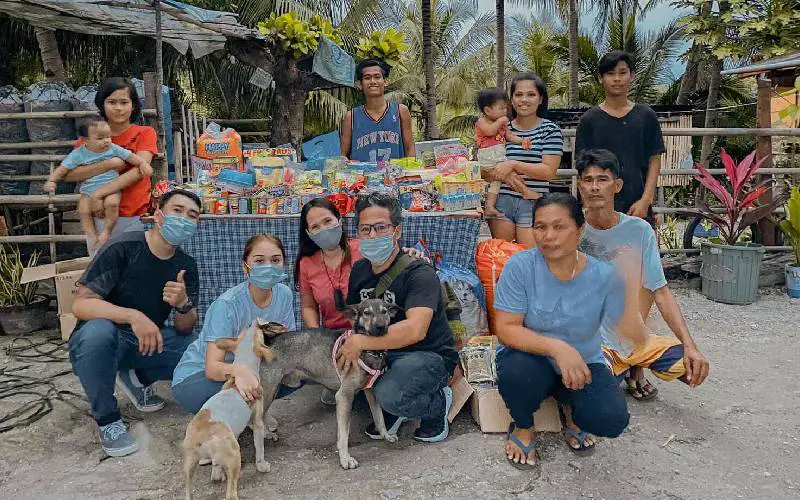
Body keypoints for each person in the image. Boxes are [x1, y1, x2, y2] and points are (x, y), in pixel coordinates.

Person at [493, 192, 646, 468]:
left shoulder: (602, 275)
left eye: (559, 226)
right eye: (540, 227)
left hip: (582, 364)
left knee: (610, 419)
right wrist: (558, 348)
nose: (548, 236)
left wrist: (630, 286)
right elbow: (506, 328)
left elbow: (633, 336)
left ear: (580, 229)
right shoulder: (520, 267)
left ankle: (571, 408)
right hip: (532, 360)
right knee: (516, 372)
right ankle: (523, 425)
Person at [68, 189, 201, 457]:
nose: (184, 219)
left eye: (192, 215)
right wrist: (132, 316)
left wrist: (183, 303)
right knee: (97, 334)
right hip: (106, 338)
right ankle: (108, 421)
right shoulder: (123, 247)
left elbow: (186, 327)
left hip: (146, 342)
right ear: (157, 214)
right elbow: (81, 304)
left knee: (197, 349)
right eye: (177, 210)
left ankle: (137, 377)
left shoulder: (186, 265)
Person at [575, 149, 710, 400]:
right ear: (579, 185)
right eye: (588, 180)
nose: (595, 187)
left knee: (692, 365)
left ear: (617, 185)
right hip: (593, 342)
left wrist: (691, 346)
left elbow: (660, 292)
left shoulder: (639, 231)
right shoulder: (572, 230)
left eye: (602, 180)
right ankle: (621, 369)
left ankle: (635, 363)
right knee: (593, 387)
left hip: (632, 334)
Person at [337, 192, 459, 443]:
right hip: (385, 352)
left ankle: (436, 404)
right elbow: (357, 318)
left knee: (391, 394)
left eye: (381, 228)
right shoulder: (360, 270)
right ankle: (393, 407)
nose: (372, 235)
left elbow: (416, 329)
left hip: (426, 354)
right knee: (342, 384)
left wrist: (362, 344)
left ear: (397, 231)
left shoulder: (419, 273)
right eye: (365, 229)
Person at [295, 196, 430, 405]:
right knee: (348, 395)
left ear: (339, 220)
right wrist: (316, 336)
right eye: (315, 226)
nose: (323, 229)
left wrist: (409, 253)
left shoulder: (364, 248)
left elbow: (391, 256)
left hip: (371, 332)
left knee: (384, 396)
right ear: (308, 233)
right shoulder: (306, 264)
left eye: (327, 221)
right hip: (332, 338)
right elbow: (308, 305)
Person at [172, 233, 296, 413]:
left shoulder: (284, 294)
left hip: (250, 365)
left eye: (275, 260)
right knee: (255, 382)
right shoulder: (227, 305)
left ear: (284, 264)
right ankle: (227, 417)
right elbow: (212, 368)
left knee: (296, 376)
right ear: (245, 267)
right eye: (259, 261)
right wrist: (240, 371)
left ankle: (248, 413)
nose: (268, 267)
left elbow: (286, 344)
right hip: (195, 379)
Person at [61, 77, 158, 253]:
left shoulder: (145, 133)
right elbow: (69, 174)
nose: (118, 108)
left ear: (133, 105)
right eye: (111, 102)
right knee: (102, 275)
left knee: (133, 274)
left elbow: (140, 170)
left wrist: (100, 194)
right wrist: (108, 165)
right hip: (99, 216)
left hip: (135, 216)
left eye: (124, 102)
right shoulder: (89, 138)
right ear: (102, 104)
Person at [574, 51, 665, 221]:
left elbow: (655, 158)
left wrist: (646, 200)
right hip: (598, 206)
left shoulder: (646, 116)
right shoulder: (589, 120)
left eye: (622, 73)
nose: (617, 79)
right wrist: (588, 205)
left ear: (632, 76)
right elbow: (582, 167)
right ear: (601, 78)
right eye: (610, 73)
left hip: (636, 204)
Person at [44, 118, 153, 250]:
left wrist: (142, 164)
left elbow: (130, 156)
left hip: (110, 187)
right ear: (85, 140)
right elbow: (63, 168)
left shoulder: (113, 148)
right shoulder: (78, 154)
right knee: (83, 210)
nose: (107, 141)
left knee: (112, 204)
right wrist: (52, 180)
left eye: (108, 136)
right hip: (88, 189)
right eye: (100, 138)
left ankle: (107, 231)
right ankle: (92, 235)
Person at [481, 73, 564, 247]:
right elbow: (484, 172)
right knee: (503, 259)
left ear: (540, 99)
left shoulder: (550, 130)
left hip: (534, 203)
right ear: (511, 99)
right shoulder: (499, 129)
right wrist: (502, 175)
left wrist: (513, 165)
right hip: (501, 201)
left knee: (532, 259)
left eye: (531, 94)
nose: (524, 100)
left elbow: (548, 172)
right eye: (518, 95)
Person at [474, 87, 537, 219]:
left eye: (506, 108)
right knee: (510, 174)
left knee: (496, 183)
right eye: (501, 108)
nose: (505, 111)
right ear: (487, 110)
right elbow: (490, 131)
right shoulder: (482, 122)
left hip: (498, 156)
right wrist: (499, 122)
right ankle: (525, 191)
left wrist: (522, 141)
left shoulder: (501, 124)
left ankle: (490, 206)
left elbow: (509, 136)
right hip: (489, 156)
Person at [340, 59, 415, 163]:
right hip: (363, 178)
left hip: (395, 177)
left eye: (377, 77)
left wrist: (410, 173)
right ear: (359, 84)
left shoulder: (400, 111)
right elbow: (343, 155)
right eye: (367, 78)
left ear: (385, 81)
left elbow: (410, 148)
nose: (373, 81)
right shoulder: (351, 117)